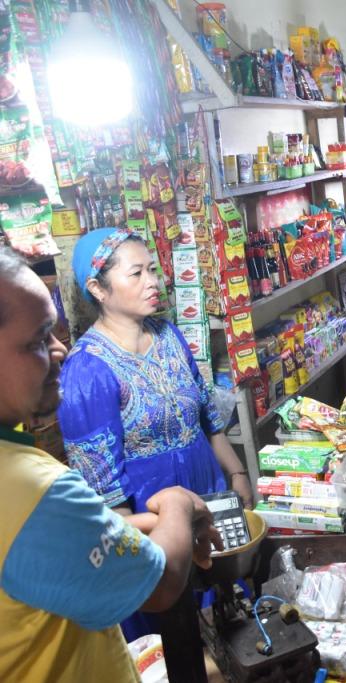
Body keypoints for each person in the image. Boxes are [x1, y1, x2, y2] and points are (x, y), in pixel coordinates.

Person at [0, 246, 221, 681]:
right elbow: (160, 584)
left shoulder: (21, 476)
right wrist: (177, 504)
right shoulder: (28, 488)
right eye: (38, 340)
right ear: (98, 289)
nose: (60, 349)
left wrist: (158, 520)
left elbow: (56, 540)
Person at [57, 229, 251, 640]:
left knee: (228, 621)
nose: (152, 282)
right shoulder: (86, 371)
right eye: (136, 273)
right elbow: (103, 492)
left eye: (152, 270)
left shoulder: (168, 335)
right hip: (151, 515)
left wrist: (236, 474)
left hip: (207, 491)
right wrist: (153, 538)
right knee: (175, 634)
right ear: (98, 289)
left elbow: (207, 416)